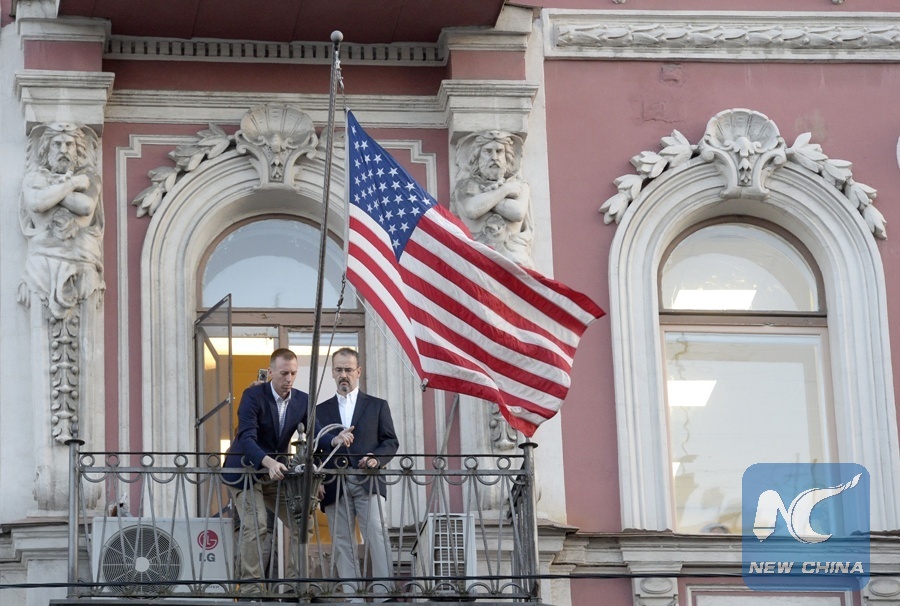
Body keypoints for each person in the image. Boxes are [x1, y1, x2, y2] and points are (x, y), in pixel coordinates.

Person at [223, 348, 351, 595]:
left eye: (293, 373)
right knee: (257, 523)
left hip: (276, 474)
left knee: (303, 521)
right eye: (283, 373)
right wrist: (269, 462)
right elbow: (246, 438)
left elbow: (315, 433)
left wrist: (335, 439)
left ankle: (295, 585)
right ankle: (251, 588)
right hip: (244, 471)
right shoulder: (253, 396)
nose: (289, 379)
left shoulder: (302, 400)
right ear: (271, 372)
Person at [317, 348, 399, 602]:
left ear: (358, 372)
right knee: (342, 540)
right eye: (339, 370)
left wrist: (376, 458)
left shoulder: (377, 405)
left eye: (348, 370)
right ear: (332, 373)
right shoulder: (320, 411)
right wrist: (317, 480)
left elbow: (390, 442)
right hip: (334, 482)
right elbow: (315, 448)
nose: (344, 375)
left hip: (368, 479)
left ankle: (384, 595)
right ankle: (353, 598)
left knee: (376, 533)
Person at [19, 122, 104, 320]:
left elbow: (85, 206)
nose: (63, 150)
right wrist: (72, 184)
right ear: (47, 149)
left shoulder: (90, 177)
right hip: (41, 264)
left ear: (78, 150)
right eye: (57, 144)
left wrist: (51, 191)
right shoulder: (34, 176)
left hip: (82, 263)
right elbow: (37, 203)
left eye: (69, 144)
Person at [450, 130, 534, 268]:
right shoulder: (465, 186)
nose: (494, 157)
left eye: (499, 151)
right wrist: (504, 190)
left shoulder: (520, 186)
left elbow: (517, 212)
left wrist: (483, 196)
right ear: (477, 157)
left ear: (507, 157)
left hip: (515, 262)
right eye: (488, 151)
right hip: (474, 263)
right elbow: (471, 210)